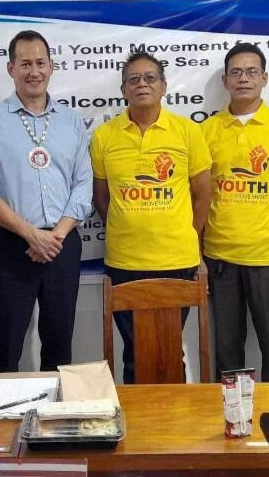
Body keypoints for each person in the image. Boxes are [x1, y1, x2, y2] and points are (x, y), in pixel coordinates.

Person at [0, 30, 93, 372]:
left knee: (59, 344)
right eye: (25, 63)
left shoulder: (72, 122)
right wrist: (30, 234)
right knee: (5, 346)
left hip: (62, 243)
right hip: (11, 245)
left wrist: (54, 236)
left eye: (40, 63)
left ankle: (56, 422)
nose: (33, 71)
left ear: (52, 67)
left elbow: (83, 186)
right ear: (11, 68)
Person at [91, 51, 212, 383]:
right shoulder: (105, 135)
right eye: (133, 79)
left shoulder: (187, 131)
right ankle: (139, 430)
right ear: (123, 89)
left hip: (176, 259)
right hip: (124, 261)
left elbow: (202, 194)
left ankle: (175, 429)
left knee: (171, 350)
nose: (141, 84)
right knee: (134, 352)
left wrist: (186, 234)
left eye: (149, 78)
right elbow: (101, 198)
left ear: (164, 86)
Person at [202, 43, 269, 382]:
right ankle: (233, 427)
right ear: (225, 80)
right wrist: (199, 255)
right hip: (221, 259)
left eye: (251, 72)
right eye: (236, 72)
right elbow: (200, 196)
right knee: (227, 354)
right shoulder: (207, 131)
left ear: (264, 78)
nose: (243, 78)